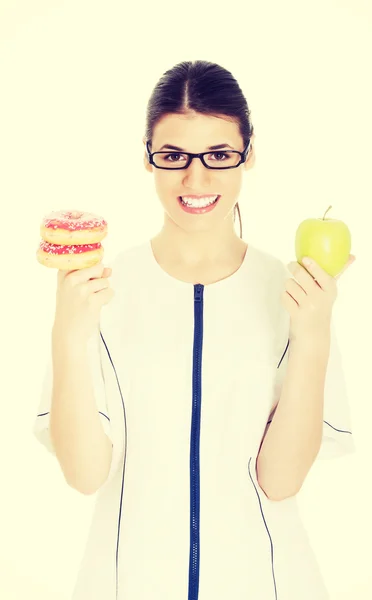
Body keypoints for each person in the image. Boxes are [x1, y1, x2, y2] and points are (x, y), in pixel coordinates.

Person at [33, 60, 355, 600]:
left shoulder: (298, 293)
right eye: (174, 156)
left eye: (220, 155)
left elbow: (280, 481)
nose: (196, 179)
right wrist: (68, 337)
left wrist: (314, 336)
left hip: (267, 584)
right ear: (147, 158)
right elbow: (85, 475)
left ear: (249, 154)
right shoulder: (97, 291)